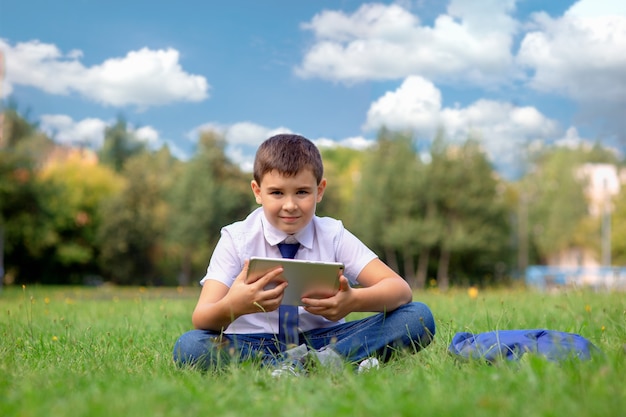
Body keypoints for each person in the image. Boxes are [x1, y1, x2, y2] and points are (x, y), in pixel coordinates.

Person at [172, 134, 435, 375]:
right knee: (191, 346)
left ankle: (306, 366)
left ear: (319, 190)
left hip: (325, 338)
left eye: (302, 192)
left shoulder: (333, 234)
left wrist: (352, 301)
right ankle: (326, 365)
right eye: (276, 192)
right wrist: (236, 305)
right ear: (257, 192)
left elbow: (400, 290)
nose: (290, 205)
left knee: (418, 317)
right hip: (255, 342)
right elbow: (202, 318)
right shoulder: (236, 238)